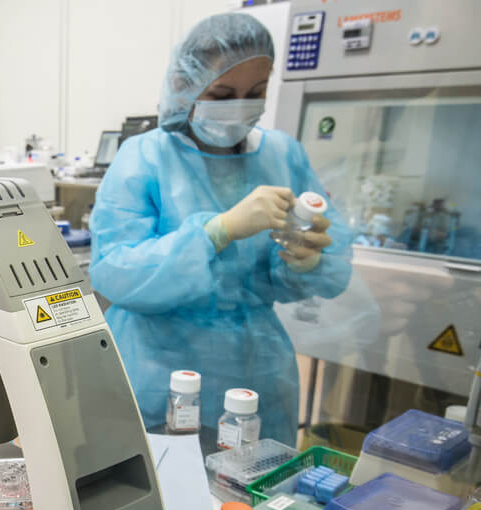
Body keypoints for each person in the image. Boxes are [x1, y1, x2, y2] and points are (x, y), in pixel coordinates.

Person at [89, 13, 353, 446]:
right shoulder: (144, 157)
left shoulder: (283, 155)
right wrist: (215, 232)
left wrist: (307, 258)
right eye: (222, 93)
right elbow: (115, 272)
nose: (240, 107)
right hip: (158, 372)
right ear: (183, 86)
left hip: (258, 371)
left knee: (250, 498)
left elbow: (333, 261)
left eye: (256, 94)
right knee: (164, 495)